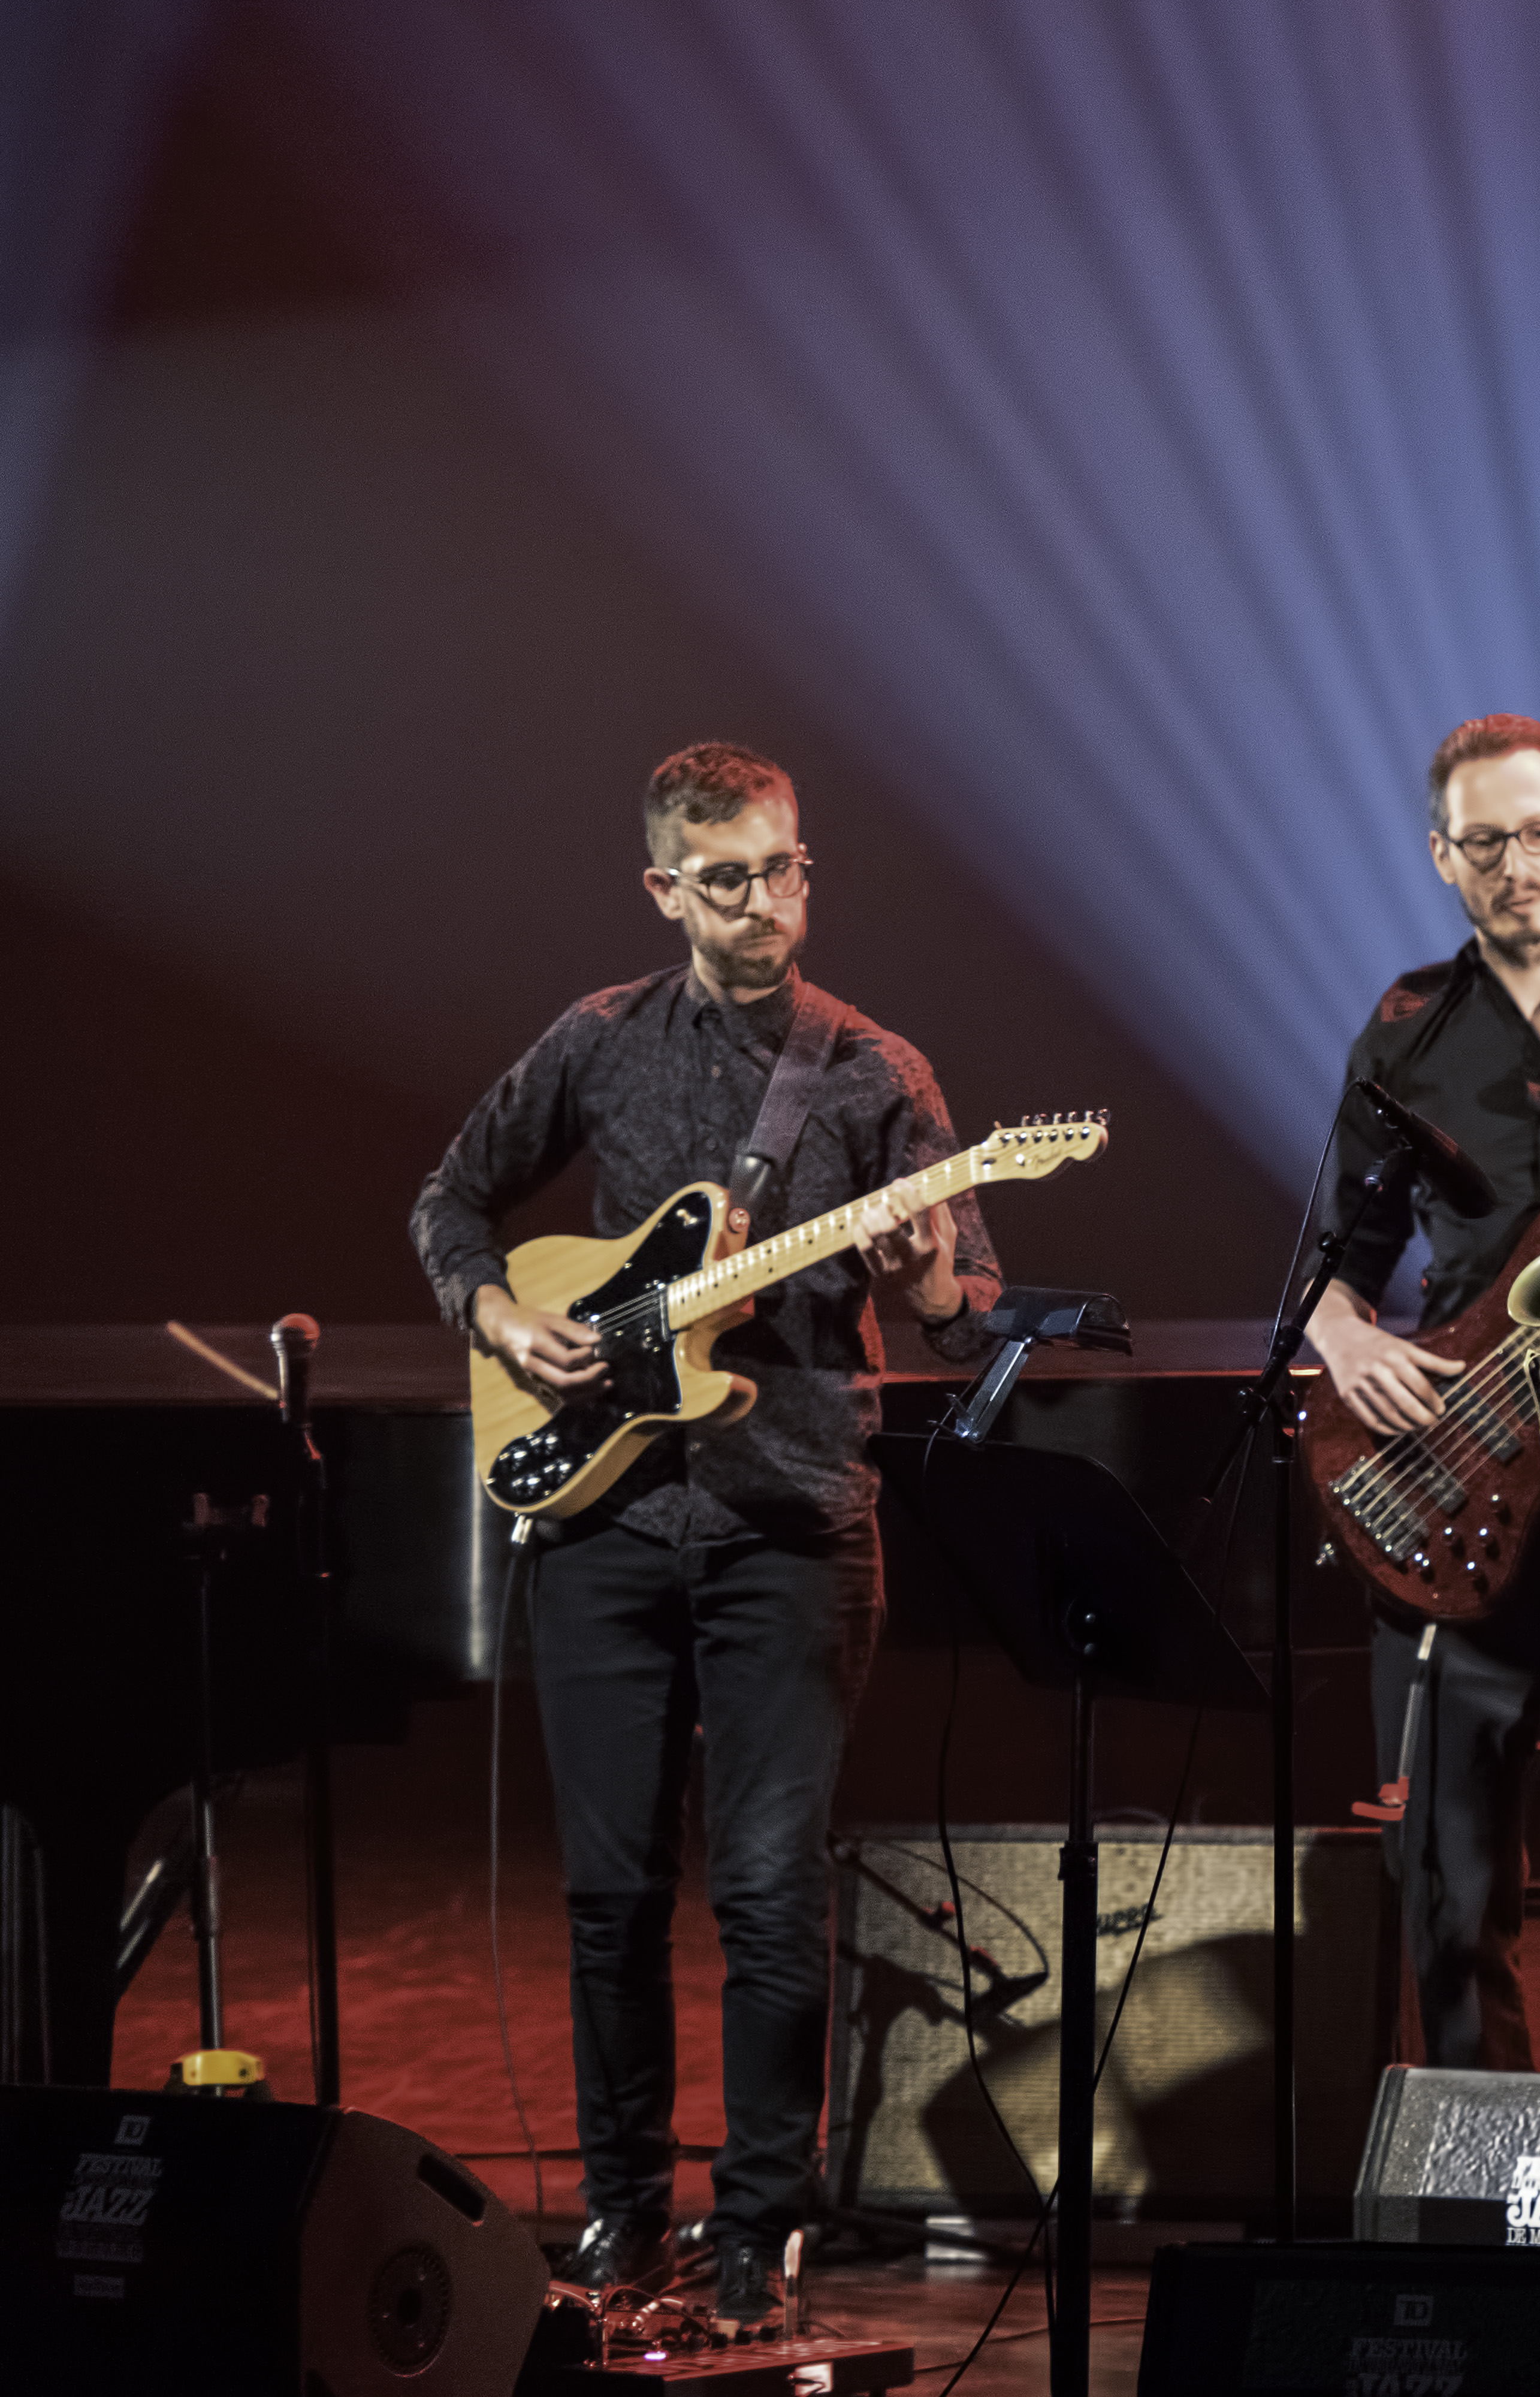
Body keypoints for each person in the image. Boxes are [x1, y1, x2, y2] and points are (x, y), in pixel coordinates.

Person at [410, 742, 1000, 2317]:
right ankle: (617, 2209)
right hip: (601, 1516)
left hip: (792, 1525)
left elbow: (967, 1320)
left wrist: (926, 1273)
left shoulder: (879, 1072)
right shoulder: (595, 1041)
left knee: (767, 1889)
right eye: (725, 875)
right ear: (666, 887)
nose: (762, 900)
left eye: (783, 866)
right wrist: (494, 1314)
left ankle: (758, 2222)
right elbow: (450, 1203)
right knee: (607, 1892)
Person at [1306, 714, 1540, 2071]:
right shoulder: (1401, 1033)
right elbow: (1338, 1269)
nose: (1512, 862)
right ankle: (1475, 2201)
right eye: (1481, 841)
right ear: (1442, 857)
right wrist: (1344, 1339)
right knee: (1445, 1880)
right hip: (1455, 1469)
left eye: (1534, 832)